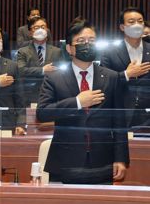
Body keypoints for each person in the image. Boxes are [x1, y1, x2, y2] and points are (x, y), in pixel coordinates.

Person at [37, 18, 129, 184]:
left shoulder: (111, 76)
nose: (87, 44)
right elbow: (43, 113)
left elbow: (119, 122)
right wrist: (78, 102)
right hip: (65, 161)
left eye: (91, 40)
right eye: (81, 41)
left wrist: (120, 158)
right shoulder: (54, 77)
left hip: (102, 161)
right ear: (69, 48)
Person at [101, 7, 150, 128]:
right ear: (122, 27)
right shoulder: (109, 52)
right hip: (120, 113)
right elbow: (103, 83)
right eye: (131, 22)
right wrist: (126, 74)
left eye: (140, 21)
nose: (137, 25)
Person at [16, 16, 62, 106]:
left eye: (43, 27)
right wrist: (42, 70)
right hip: (29, 96)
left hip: (51, 95)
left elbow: (61, 73)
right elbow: (21, 70)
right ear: (30, 32)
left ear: (47, 30)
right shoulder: (22, 51)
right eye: (36, 28)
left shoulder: (57, 51)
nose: (40, 30)